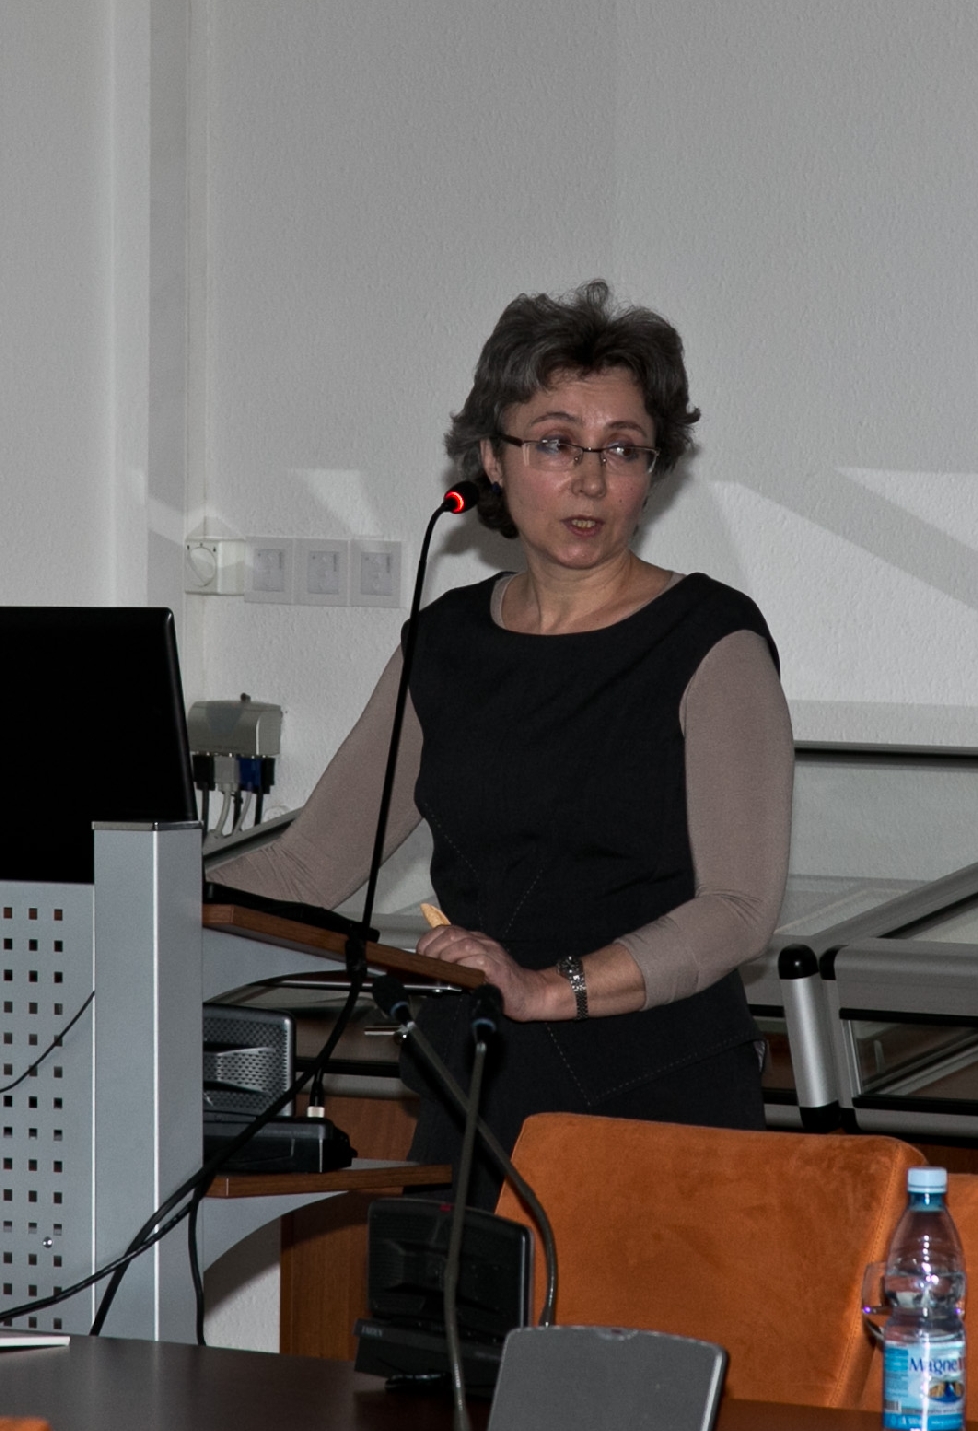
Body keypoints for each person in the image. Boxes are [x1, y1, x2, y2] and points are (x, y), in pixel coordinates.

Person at [223, 280, 794, 1204]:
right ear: (491, 457)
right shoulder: (446, 643)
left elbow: (738, 909)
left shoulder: (710, 641)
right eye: (557, 443)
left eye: (623, 449)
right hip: (479, 1089)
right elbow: (306, 869)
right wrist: (121, 899)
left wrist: (545, 989)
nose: (591, 481)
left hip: (658, 1101)